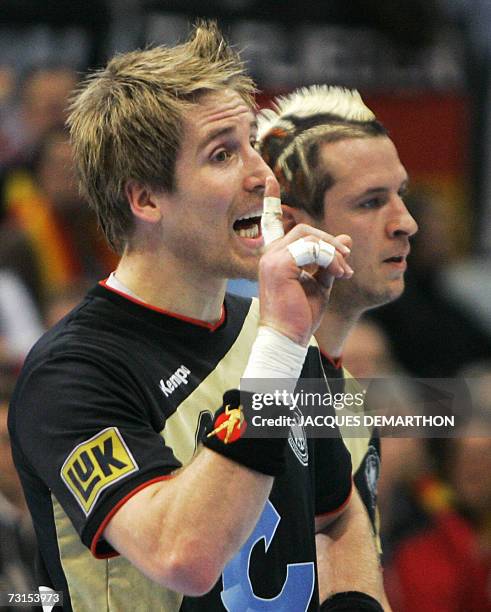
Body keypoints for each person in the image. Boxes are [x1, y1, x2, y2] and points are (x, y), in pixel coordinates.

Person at [8, 23, 386, 612]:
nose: (263, 176)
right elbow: (183, 555)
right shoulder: (72, 373)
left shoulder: (276, 335)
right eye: (222, 154)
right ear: (146, 200)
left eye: (252, 144)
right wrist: (282, 345)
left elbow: (337, 514)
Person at [258, 85, 418, 604]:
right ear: (290, 226)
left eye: (400, 195)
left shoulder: (348, 401)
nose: (406, 223)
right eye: (372, 203)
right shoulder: (237, 379)